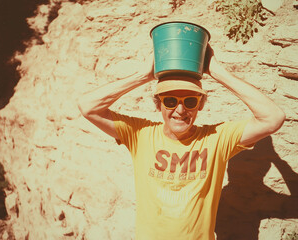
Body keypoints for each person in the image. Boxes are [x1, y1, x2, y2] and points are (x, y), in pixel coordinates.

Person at [77, 44, 286, 240]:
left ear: (200, 105)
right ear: (158, 105)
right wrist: (142, 75)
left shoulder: (217, 138)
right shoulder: (140, 134)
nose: (180, 110)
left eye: (189, 101)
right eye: (170, 101)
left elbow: (273, 118)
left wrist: (217, 72)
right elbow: (88, 106)